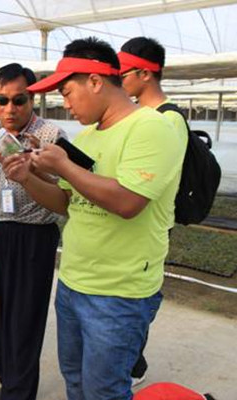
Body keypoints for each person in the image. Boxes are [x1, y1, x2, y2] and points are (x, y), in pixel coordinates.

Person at [0, 37, 183, 400]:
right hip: (73, 284)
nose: (66, 104)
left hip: (118, 294)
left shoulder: (151, 127)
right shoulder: (87, 136)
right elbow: (68, 203)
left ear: (95, 81)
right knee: (76, 380)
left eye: (68, 93)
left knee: (104, 391)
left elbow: (128, 202)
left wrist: (64, 165)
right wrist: (28, 178)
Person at [0, 63, 66, 400]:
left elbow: (64, 194)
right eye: (2, 100)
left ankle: (20, 394)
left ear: (32, 99)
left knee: (25, 318)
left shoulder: (51, 136)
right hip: (2, 233)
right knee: (3, 313)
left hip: (35, 235)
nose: (10, 108)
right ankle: (8, 384)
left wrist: (34, 167)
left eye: (19, 100)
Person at [118, 36, 189, 387]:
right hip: (132, 218)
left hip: (152, 222)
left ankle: (133, 366)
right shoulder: (138, 116)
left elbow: (153, 182)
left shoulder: (167, 119)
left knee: (139, 295)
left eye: (122, 74)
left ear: (145, 73)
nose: (118, 81)